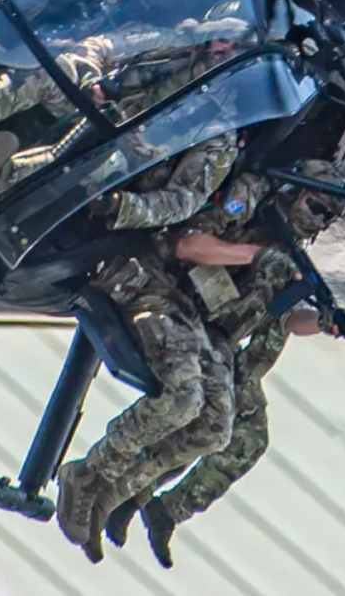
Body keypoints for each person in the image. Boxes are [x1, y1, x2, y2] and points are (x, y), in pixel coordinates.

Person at [102, 160, 345, 569]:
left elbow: (284, 318)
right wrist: (255, 254)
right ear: (294, 193)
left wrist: (325, 322)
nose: (318, 223)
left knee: (246, 436)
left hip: (223, 340)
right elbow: (188, 244)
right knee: (201, 414)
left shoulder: (287, 252)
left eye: (328, 218)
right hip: (175, 307)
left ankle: (161, 508)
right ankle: (124, 490)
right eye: (318, 208)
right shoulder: (247, 201)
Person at [53, 131, 245, 563]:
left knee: (216, 426)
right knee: (183, 399)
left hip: (167, 286)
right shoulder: (210, 120)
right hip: (126, 265)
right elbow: (184, 222)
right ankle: (87, 475)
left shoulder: (238, 147)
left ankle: (112, 495)